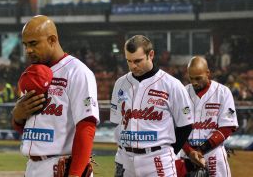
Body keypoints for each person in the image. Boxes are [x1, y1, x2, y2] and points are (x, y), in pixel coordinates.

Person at [11, 15, 99, 177]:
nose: (28, 50)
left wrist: (75, 174)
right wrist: (17, 117)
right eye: (25, 45)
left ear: (52, 40)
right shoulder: (30, 75)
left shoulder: (77, 71)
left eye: (33, 44)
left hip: (62, 167)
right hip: (33, 166)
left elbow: (86, 127)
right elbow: (30, 129)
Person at [110, 35, 193, 177]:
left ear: (151, 55)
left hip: (158, 159)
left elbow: (185, 125)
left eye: (138, 61)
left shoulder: (171, 85)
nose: (133, 66)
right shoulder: (120, 83)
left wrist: (169, 152)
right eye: (129, 61)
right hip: (125, 160)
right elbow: (117, 122)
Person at [181, 56, 238, 177]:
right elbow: (177, 128)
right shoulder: (182, 93)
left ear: (208, 73)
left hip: (213, 152)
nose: (194, 82)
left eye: (198, 78)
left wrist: (200, 150)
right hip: (187, 154)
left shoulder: (223, 92)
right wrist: (189, 151)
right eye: (191, 78)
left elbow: (227, 127)